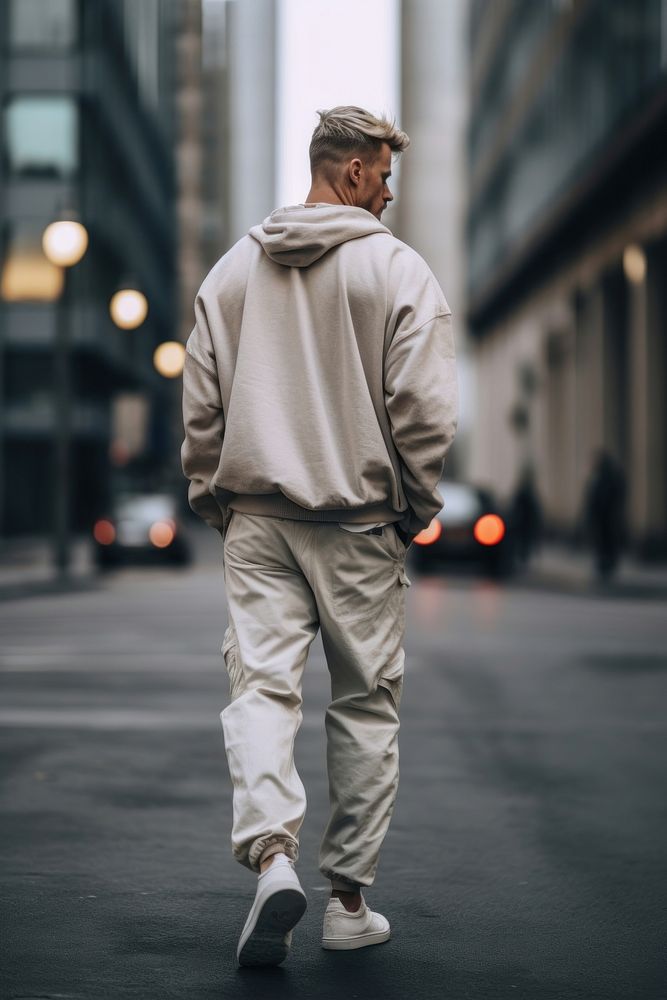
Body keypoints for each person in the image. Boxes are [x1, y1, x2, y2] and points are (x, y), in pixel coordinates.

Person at [181, 105, 458, 967]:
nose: (387, 192)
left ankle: (271, 860)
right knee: (364, 705)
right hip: (359, 519)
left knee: (261, 689)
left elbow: (201, 404)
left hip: (257, 518)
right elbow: (423, 412)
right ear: (348, 171)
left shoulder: (230, 272)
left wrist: (210, 493)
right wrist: (415, 503)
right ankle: (346, 903)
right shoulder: (398, 272)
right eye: (381, 174)